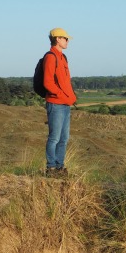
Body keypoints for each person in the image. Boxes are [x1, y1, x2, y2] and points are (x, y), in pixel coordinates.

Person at [43, 28, 77, 177]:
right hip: (56, 103)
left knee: (64, 138)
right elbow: (47, 82)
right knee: (54, 138)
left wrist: (71, 96)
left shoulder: (63, 57)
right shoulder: (51, 57)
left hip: (65, 104)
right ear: (57, 39)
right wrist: (62, 95)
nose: (67, 41)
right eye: (65, 38)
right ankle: (51, 167)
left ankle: (60, 167)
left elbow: (65, 82)